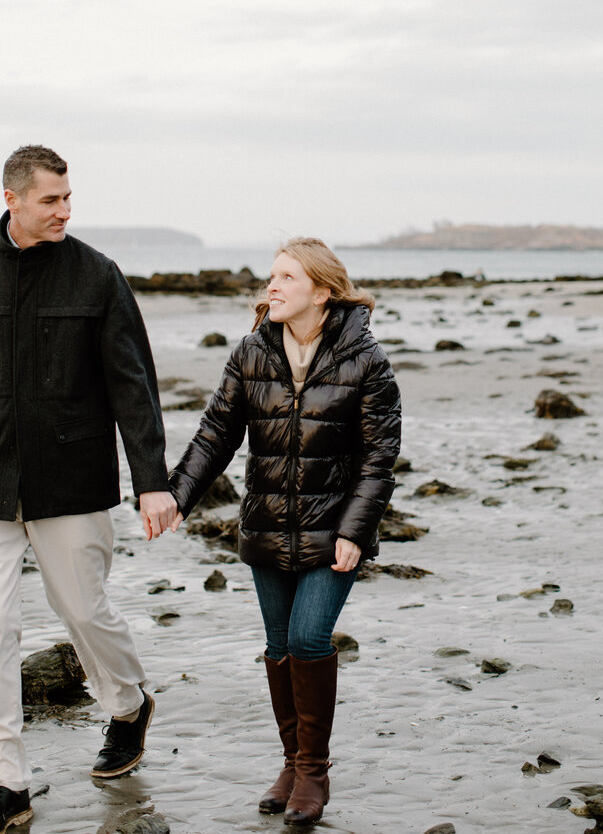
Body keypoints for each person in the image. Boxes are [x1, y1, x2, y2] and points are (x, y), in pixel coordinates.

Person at [0, 145, 178, 834]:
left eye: (68, 198)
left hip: (72, 478)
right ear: (13, 200)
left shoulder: (97, 276)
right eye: (50, 200)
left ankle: (127, 705)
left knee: (84, 612)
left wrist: (153, 482)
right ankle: (2, 787)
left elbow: (134, 384)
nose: (64, 210)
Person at [168, 237, 401, 826]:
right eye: (271, 277)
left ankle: (314, 770)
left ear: (321, 292)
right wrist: (178, 496)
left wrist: (355, 529)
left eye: (286, 278)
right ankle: (292, 762)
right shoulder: (251, 353)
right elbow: (216, 434)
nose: (271, 287)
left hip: (333, 534)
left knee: (307, 639)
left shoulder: (366, 362)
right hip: (267, 527)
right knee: (278, 647)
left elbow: (379, 459)